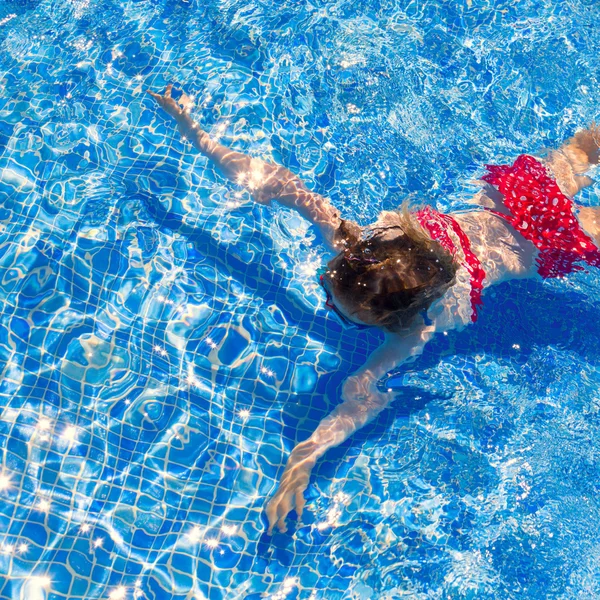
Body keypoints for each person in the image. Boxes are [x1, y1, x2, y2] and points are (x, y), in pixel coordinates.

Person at [148, 85, 600, 534]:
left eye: (338, 308)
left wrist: (301, 461)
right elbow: (282, 184)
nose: (324, 300)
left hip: (544, 245)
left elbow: (363, 398)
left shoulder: (412, 330)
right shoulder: (367, 250)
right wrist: (196, 133)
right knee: (583, 148)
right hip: (516, 198)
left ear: (393, 320)